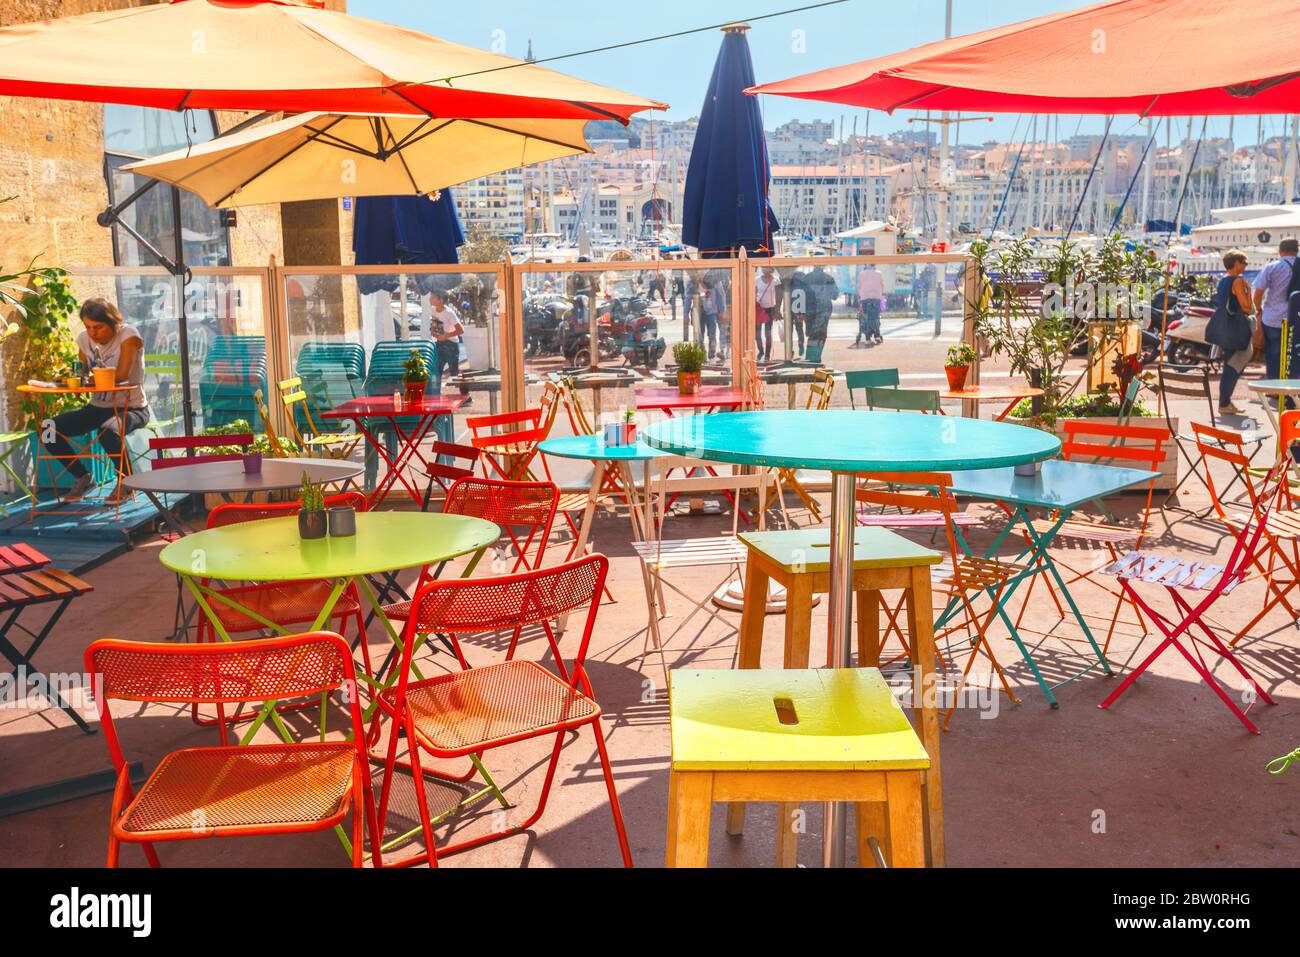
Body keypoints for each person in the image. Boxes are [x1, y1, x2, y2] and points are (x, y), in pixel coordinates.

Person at [42, 298, 150, 502]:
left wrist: (89, 379)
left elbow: (121, 375)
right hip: (97, 407)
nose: (92, 333)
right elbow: (81, 372)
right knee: (47, 429)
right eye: (88, 327)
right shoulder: (84, 339)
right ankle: (83, 477)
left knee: (108, 431)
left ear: (113, 323)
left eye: (98, 327)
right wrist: (68, 380)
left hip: (131, 407)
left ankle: (128, 482)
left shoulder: (129, 336)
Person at [1207, 250, 1258, 415]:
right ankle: (1224, 402)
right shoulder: (1237, 281)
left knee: (1230, 363)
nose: (1245, 266)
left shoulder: (1223, 281)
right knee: (1232, 366)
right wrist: (1249, 292)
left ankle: (1226, 401)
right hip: (1236, 327)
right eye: (1244, 263)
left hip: (1226, 327)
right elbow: (1247, 307)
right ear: (1236, 263)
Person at [1252, 238, 1300, 385]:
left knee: (1273, 353)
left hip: (1272, 318)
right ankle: (1292, 387)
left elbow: (1258, 293)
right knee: (1293, 354)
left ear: (1280, 251)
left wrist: (1259, 310)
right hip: (1296, 318)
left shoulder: (1272, 267)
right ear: (1297, 250)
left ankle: (1274, 388)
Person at [429, 289, 464, 381]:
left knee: (454, 372)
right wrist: (433, 330)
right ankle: (437, 394)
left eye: (433, 297)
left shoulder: (449, 313)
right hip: (440, 343)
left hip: (451, 344)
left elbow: (461, 330)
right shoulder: (433, 309)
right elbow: (436, 322)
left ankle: (463, 393)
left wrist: (446, 335)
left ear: (440, 300)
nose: (430, 299)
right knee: (436, 370)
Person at [754, 266, 780, 363]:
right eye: (763, 267)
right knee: (757, 334)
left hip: (770, 309)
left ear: (771, 269)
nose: (763, 269)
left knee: (768, 333)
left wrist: (778, 309)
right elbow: (753, 294)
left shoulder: (775, 280)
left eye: (766, 267)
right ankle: (761, 351)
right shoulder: (756, 280)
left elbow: (778, 296)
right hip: (759, 309)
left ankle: (767, 355)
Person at [855, 262, 884, 346]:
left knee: (866, 317)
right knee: (876, 317)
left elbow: (859, 286)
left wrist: (861, 295)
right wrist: (879, 294)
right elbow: (882, 285)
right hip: (876, 298)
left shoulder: (862, 273)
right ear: (874, 265)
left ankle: (867, 338)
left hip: (865, 298)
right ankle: (877, 336)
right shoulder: (879, 273)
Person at [699, 275, 722, 358]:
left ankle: (712, 352)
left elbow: (720, 298)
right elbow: (688, 298)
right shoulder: (693, 284)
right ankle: (701, 352)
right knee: (699, 334)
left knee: (712, 333)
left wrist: (721, 311)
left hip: (712, 312)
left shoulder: (714, 283)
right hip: (699, 312)